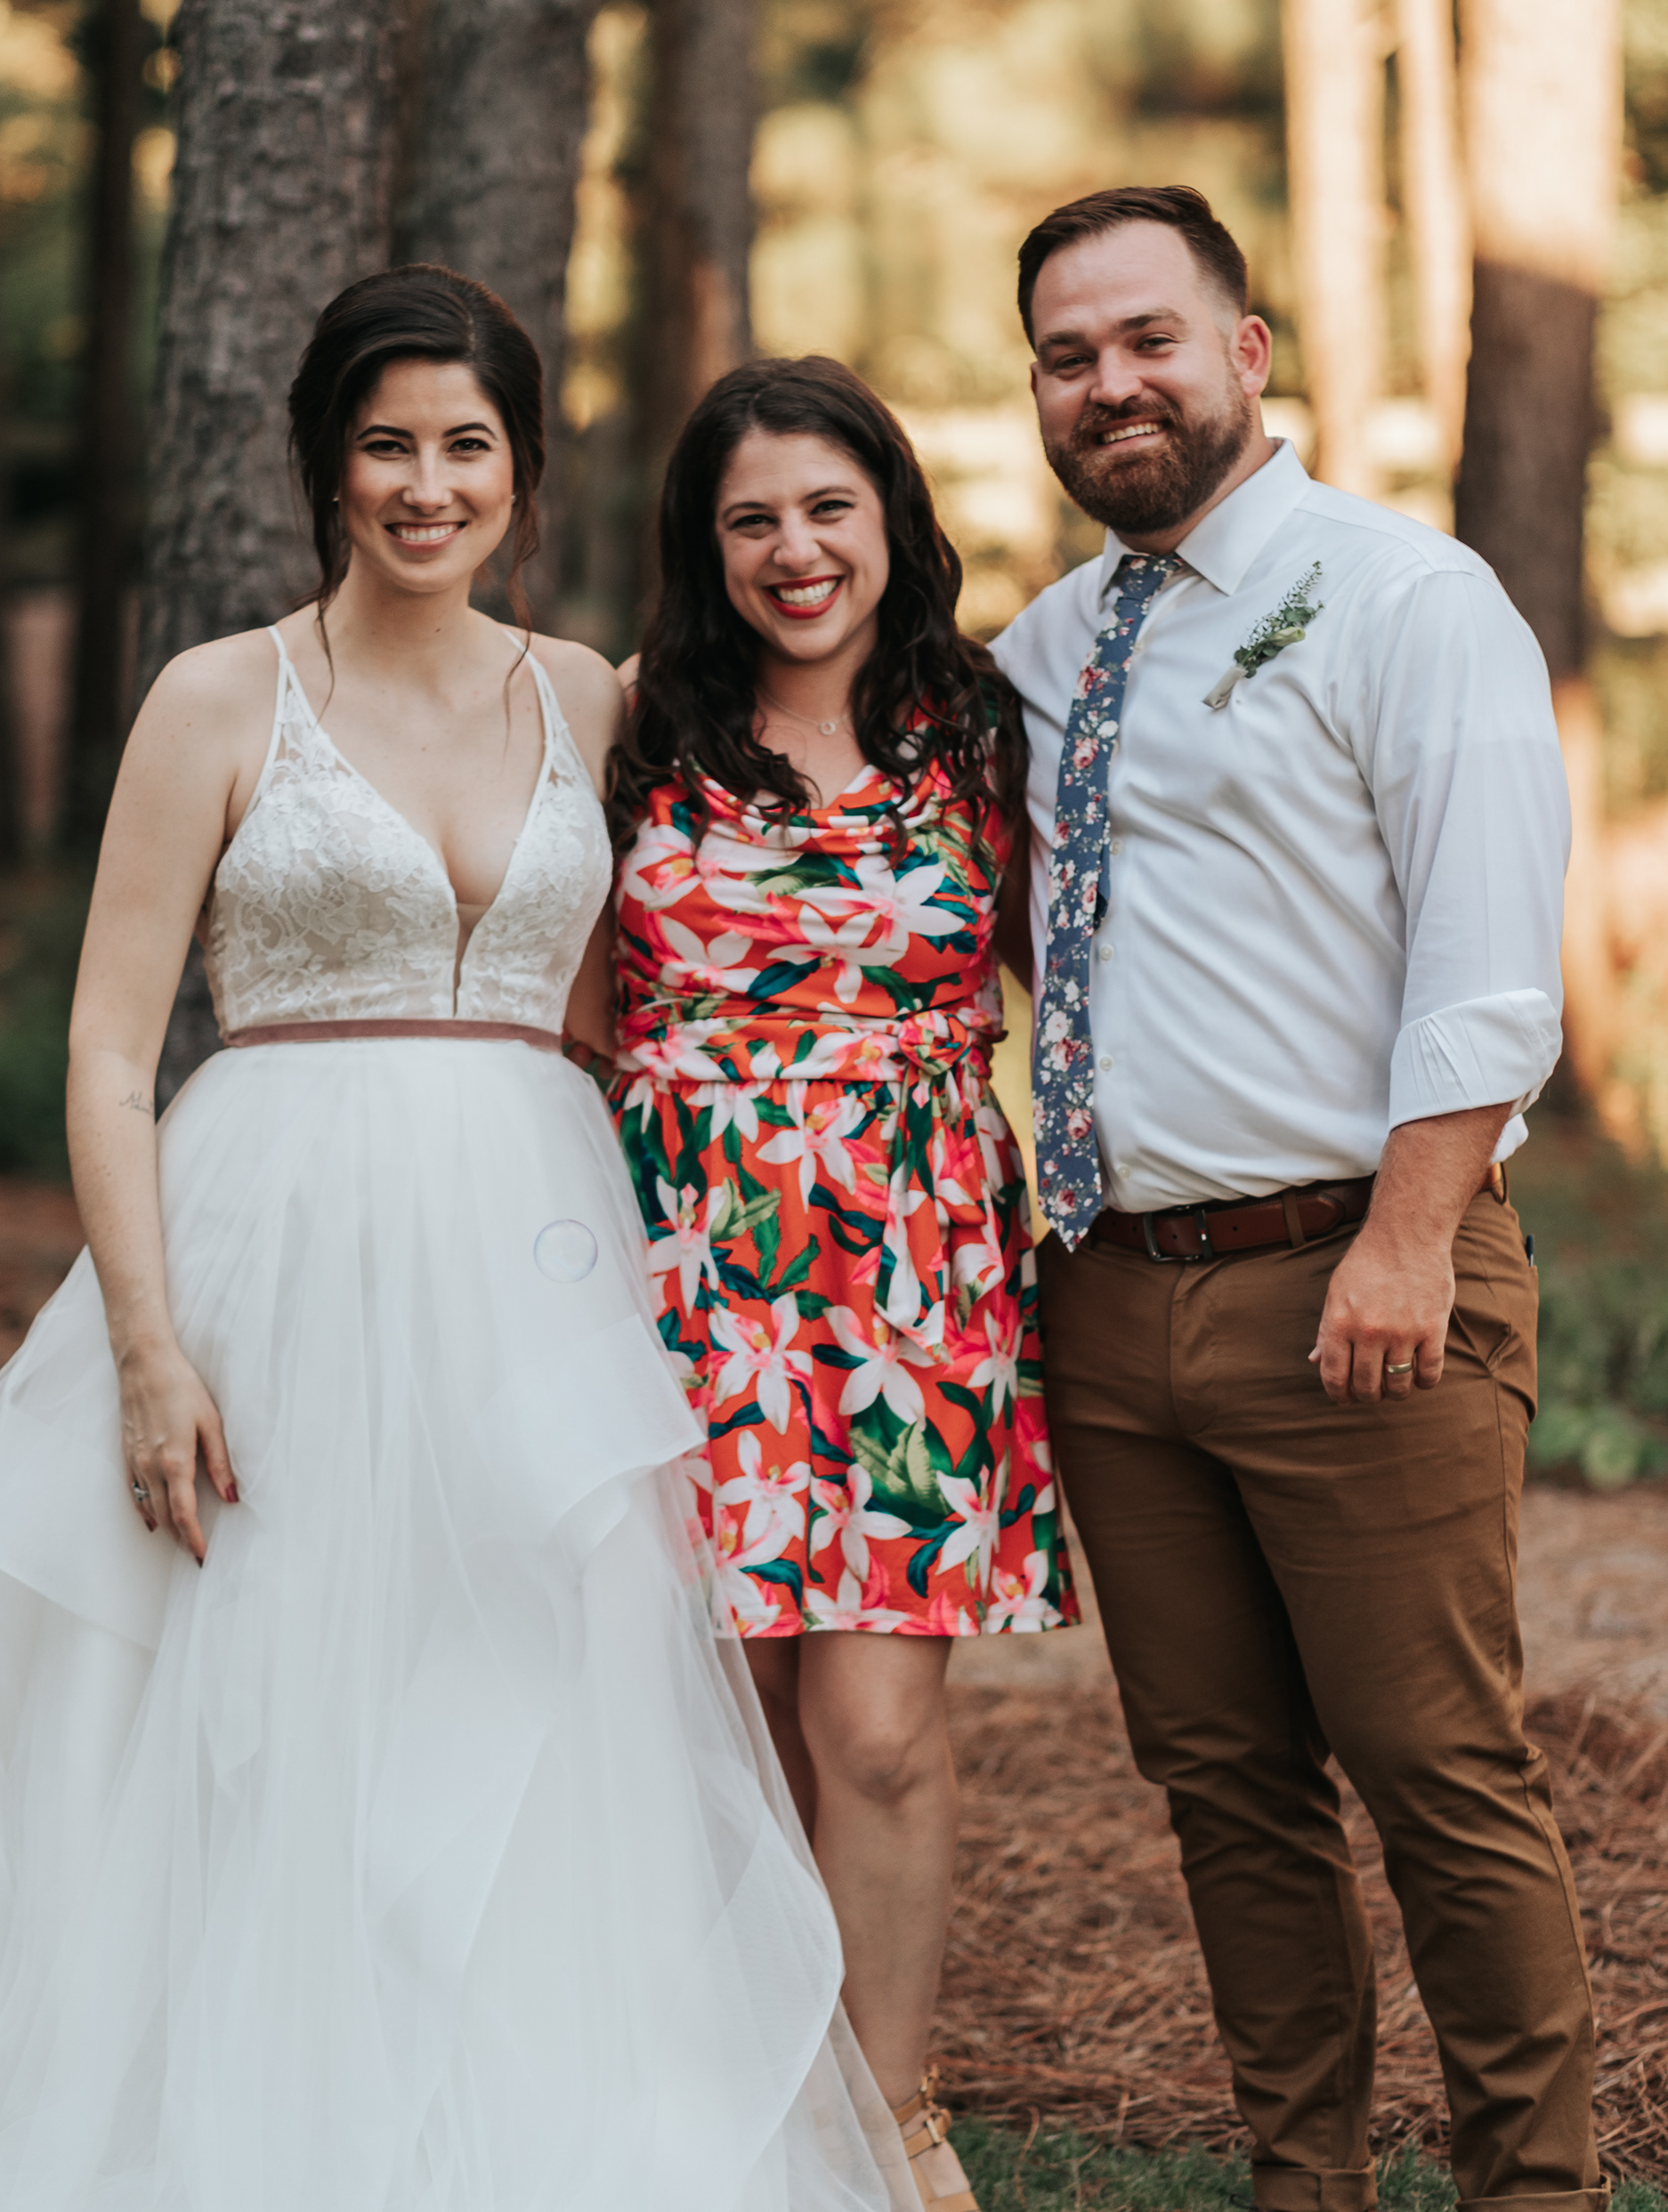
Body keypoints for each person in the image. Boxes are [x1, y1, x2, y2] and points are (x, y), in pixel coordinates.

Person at [0, 266, 914, 2212]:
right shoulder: (219, 695)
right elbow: (110, 1048)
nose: (425, 483)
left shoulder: (592, 697)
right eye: (385, 443)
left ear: (521, 470)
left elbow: (665, 984)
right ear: (327, 463)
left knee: (539, 1679)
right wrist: (147, 1345)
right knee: (284, 1677)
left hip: (533, 1255)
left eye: (466, 445)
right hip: (276, 1246)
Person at [991, 187, 1602, 2212]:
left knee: (1441, 1770)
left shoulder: (1404, 596)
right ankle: (1302, 2182)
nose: (1112, 385)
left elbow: (1491, 963)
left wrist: (1409, 1241)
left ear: (1247, 350)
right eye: (1069, 357)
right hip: (1112, 1295)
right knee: (1225, 1785)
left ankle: (1535, 2191)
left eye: (1149, 339)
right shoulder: (1043, 654)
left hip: (1362, 1271)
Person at [593, 355, 1079, 2212]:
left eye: (826, 508)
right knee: (722, 1729)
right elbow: (570, 1013)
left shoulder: (985, 736)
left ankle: (890, 2114)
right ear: (702, 545)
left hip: (908, 1284)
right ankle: (734, 2107)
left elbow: (1073, 982)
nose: (793, 550)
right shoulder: (634, 726)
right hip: (681, 1277)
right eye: (751, 520)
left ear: (891, 517)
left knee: (872, 1734)